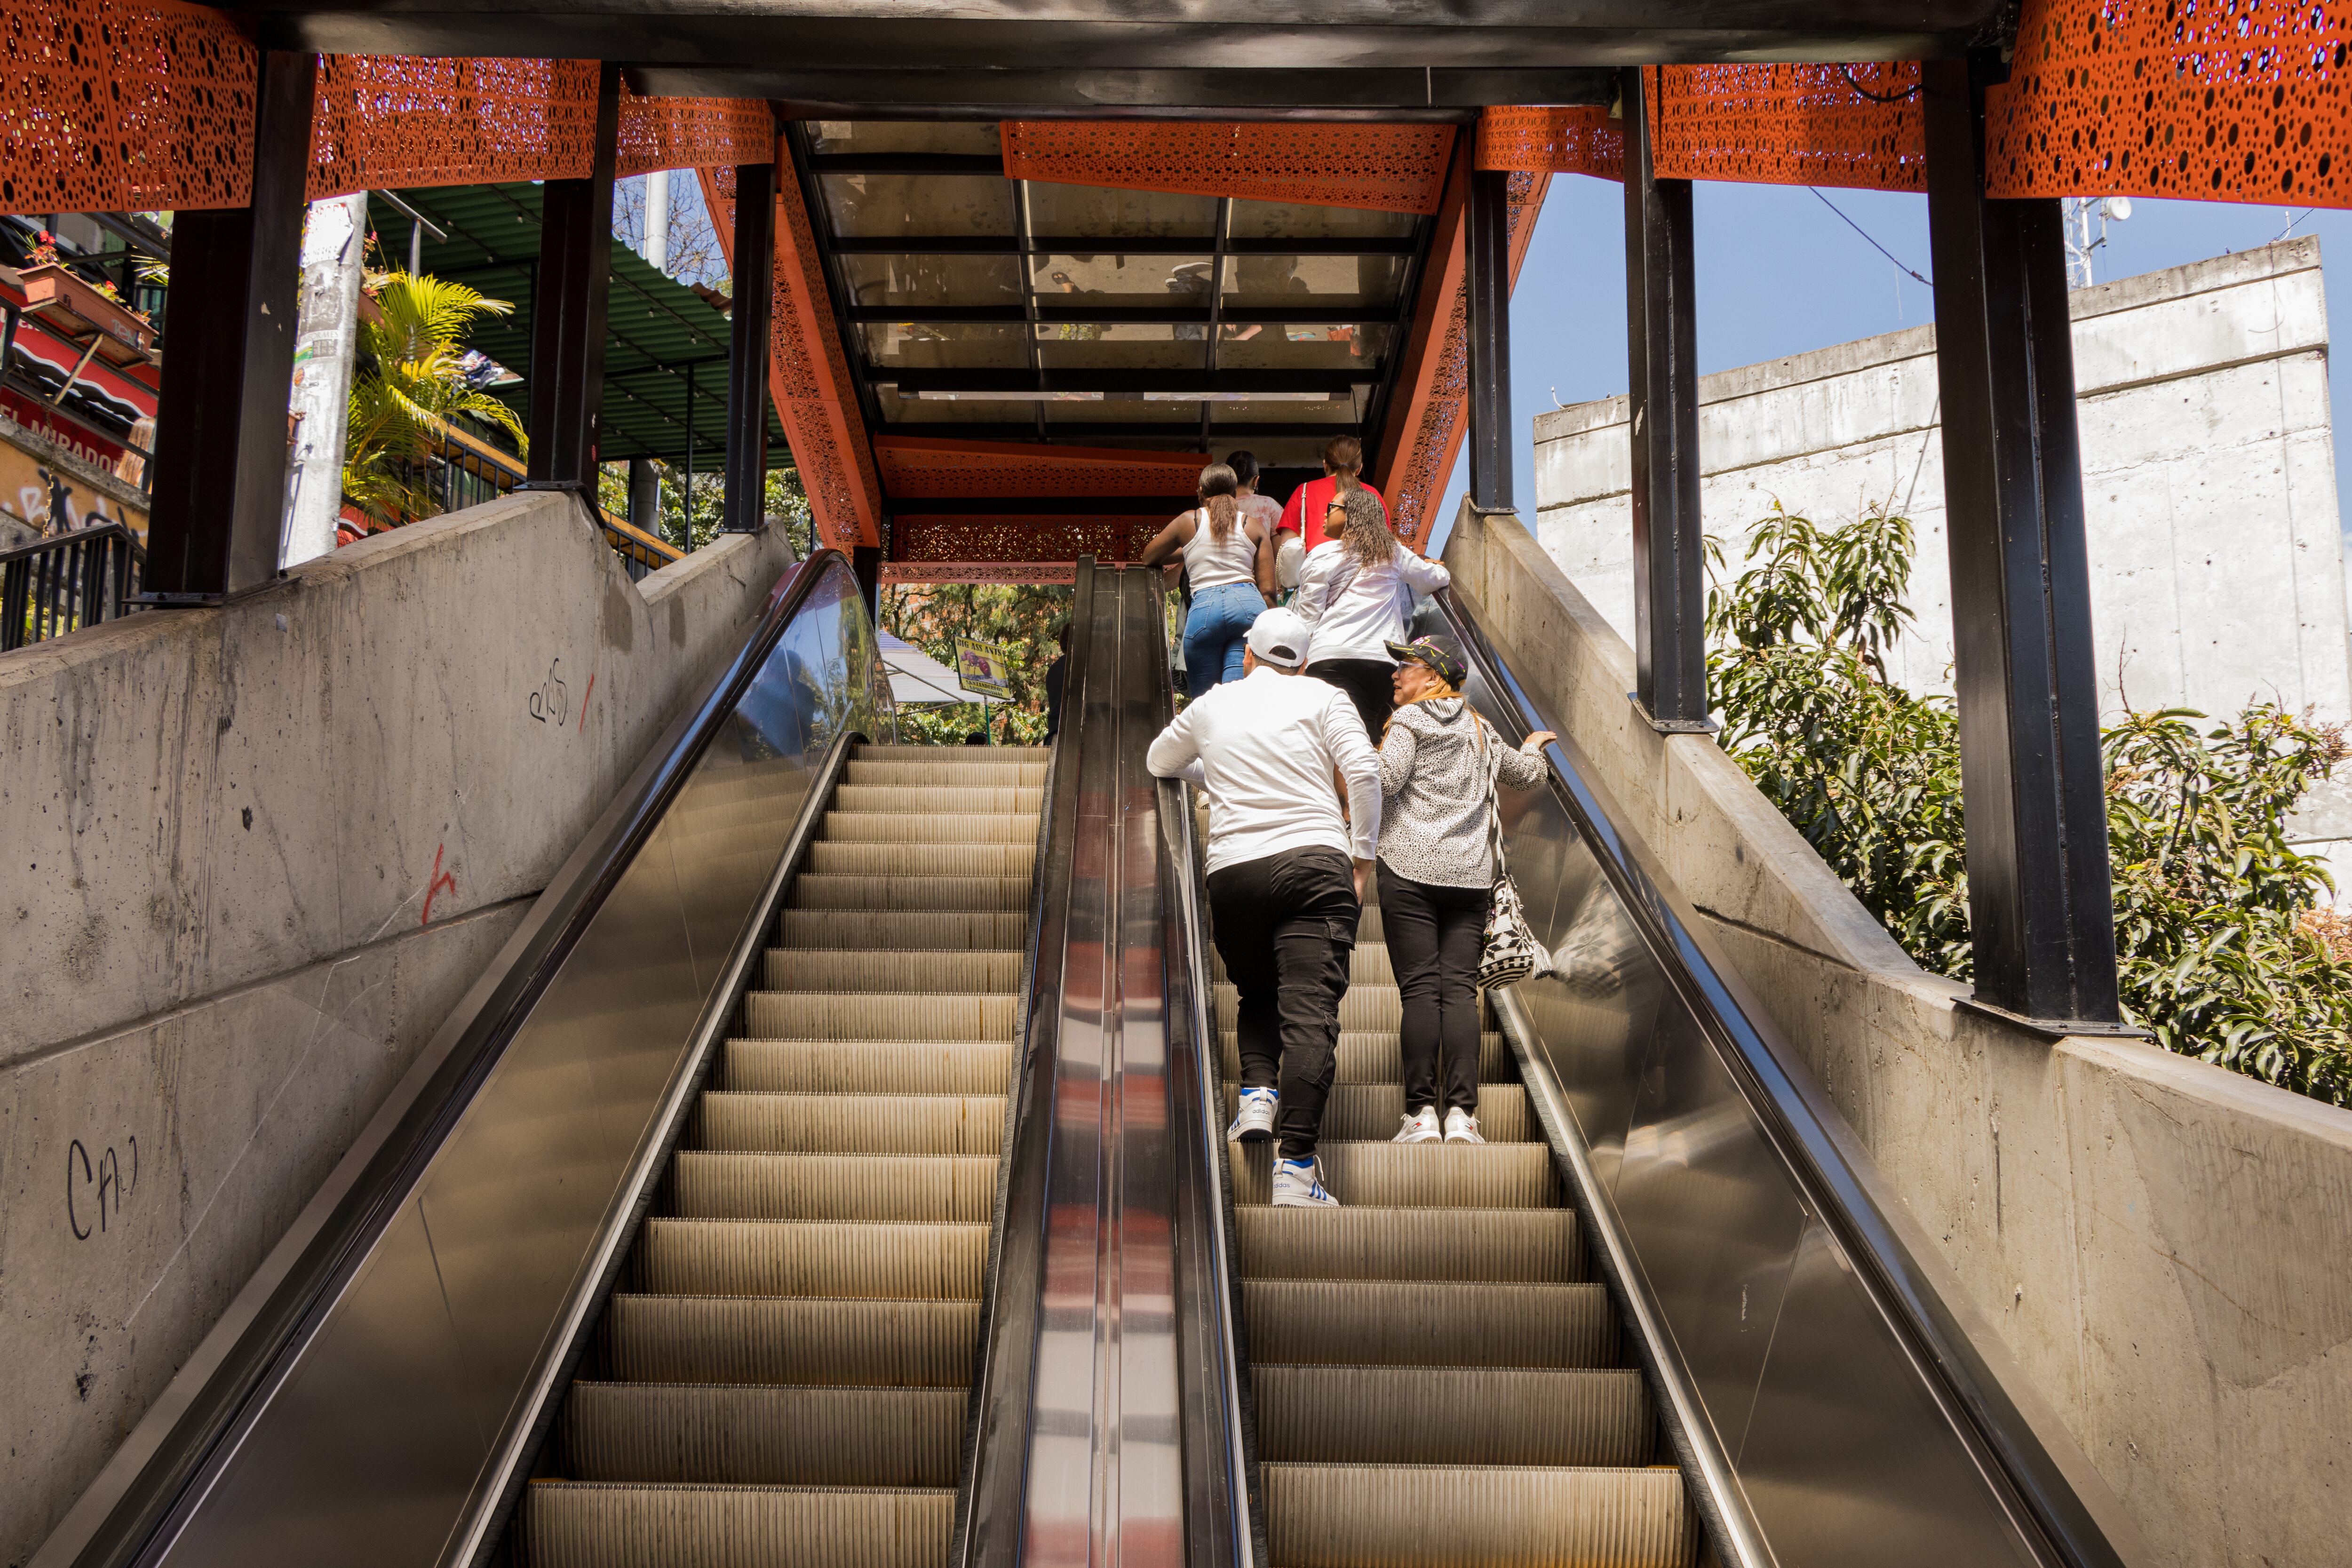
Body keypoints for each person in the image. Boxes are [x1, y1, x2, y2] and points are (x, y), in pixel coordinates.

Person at [1146, 606, 1378, 1210]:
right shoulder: (1324, 697)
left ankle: (1256, 1096)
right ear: (1301, 661)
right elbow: (1363, 770)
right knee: (1309, 1016)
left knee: (1256, 991)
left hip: (1235, 871)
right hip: (1314, 864)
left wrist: (1219, 773)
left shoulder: (1213, 704)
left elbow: (1158, 762)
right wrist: (1364, 860)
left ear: (1247, 652)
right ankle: (1295, 1169)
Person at [1374, 637, 1556, 1145]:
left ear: (1432, 677)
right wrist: (1532, 747)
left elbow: (1386, 781)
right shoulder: (1481, 727)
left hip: (1409, 871)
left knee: (1419, 991)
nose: (1395, 675)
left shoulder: (1408, 723)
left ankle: (1420, 1116)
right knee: (1457, 993)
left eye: (1404, 667)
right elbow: (1526, 775)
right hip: (1468, 877)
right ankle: (1461, 1116)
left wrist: (1350, 750)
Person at [1295, 486, 1450, 742]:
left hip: (1331, 658)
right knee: (1371, 738)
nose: (1325, 514)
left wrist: (1298, 662)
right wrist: (1437, 568)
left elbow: (1308, 617)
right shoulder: (1392, 551)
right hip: (1383, 662)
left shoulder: (1322, 555)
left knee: (1336, 742)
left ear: (1351, 514)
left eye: (1331, 508)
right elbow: (1431, 581)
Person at [1138, 462, 1276, 698]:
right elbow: (1268, 592)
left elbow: (1149, 557)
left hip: (1204, 611)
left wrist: (1191, 547)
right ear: (1235, 494)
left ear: (1200, 491)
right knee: (1238, 699)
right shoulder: (1253, 526)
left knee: (1207, 705)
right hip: (1248, 608)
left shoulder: (1187, 522)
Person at [1275, 436, 1387, 589]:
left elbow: (1287, 544)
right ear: (1359, 468)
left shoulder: (1305, 491)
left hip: (1315, 579)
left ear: (1325, 465)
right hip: (1364, 583)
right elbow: (1385, 544)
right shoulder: (1373, 495)